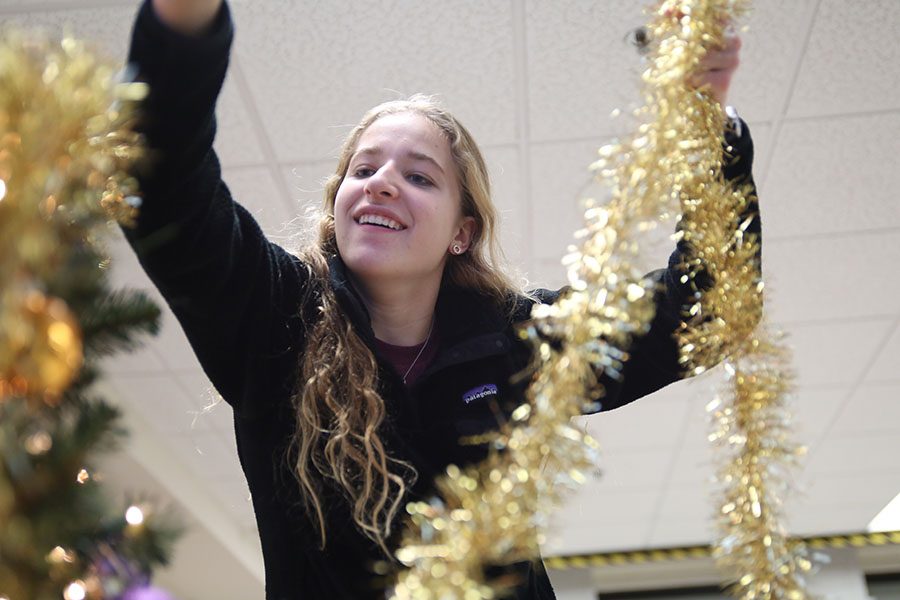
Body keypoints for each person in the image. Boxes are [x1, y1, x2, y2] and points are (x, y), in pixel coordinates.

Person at [126, 1, 755, 598]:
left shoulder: (518, 338)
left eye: (419, 176)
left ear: (463, 232)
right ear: (337, 204)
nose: (383, 186)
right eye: (363, 170)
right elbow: (166, 192)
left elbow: (707, 310)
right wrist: (184, 23)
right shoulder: (276, 321)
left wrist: (706, 132)